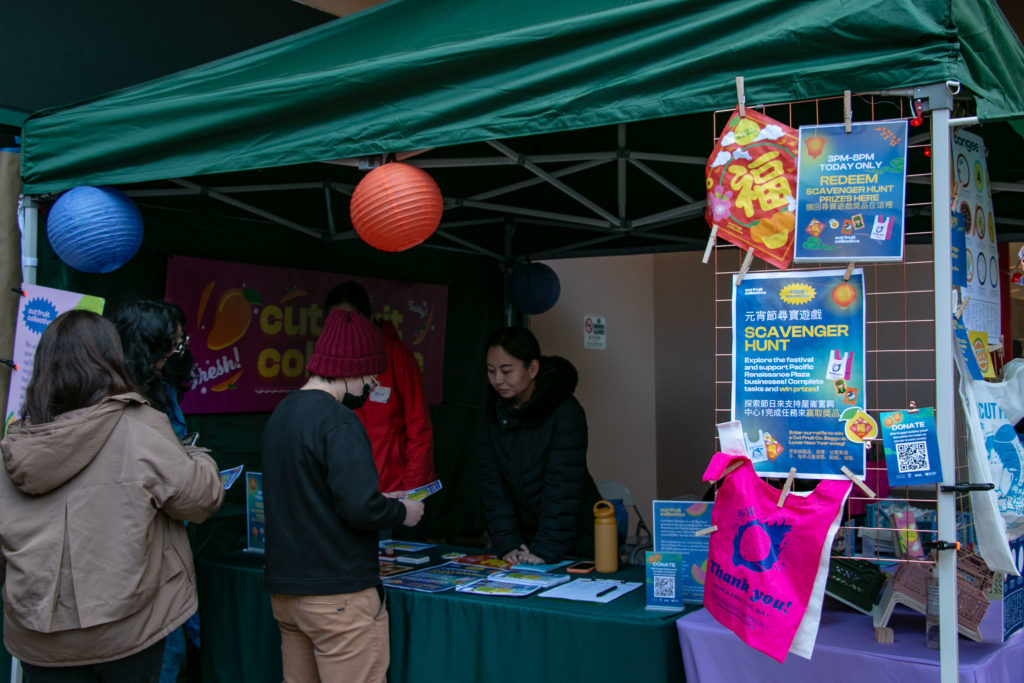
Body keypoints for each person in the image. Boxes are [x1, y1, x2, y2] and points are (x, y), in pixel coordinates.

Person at [0, 311, 224, 682]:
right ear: (111, 360)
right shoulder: (140, 425)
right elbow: (201, 500)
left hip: (39, 638)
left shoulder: (15, 445)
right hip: (127, 630)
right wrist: (194, 455)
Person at [261, 308, 425, 682]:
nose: (371, 384)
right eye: (370, 375)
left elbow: (311, 494)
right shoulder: (339, 421)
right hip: (339, 596)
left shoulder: (282, 414)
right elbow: (360, 507)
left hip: (287, 594)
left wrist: (381, 499)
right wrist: (403, 513)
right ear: (352, 369)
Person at [107, 299, 196, 682]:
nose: (179, 351)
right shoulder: (113, 405)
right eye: (173, 344)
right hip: (132, 560)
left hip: (168, 555)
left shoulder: (164, 388)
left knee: (169, 654)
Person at [477, 326, 601, 564]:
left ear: (532, 368)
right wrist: (508, 543)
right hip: (523, 545)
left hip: (576, 542)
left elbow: (562, 487)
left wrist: (545, 549)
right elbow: (492, 485)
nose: (497, 380)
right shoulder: (490, 411)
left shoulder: (565, 412)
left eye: (506, 371)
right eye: (491, 371)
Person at [324, 282, 435, 495]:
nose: (343, 327)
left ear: (367, 317)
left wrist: (412, 492)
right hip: (346, 490)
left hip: (393, 489)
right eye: (334, 322)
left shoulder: (397, 355)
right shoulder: (332, 362)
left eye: (350, 319)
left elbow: (419, 428)